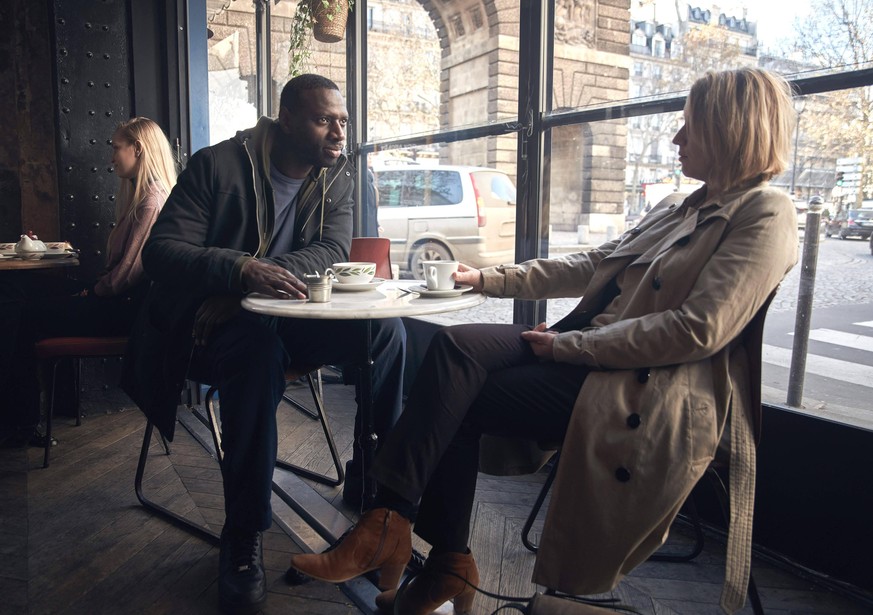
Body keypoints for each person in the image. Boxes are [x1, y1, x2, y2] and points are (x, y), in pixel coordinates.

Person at [288, 67, 799, 615]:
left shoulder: (767, 214)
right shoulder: (679, 205)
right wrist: (485, 278)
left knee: (455, 401)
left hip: (644, 384)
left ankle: (433, 555)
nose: (676, 139)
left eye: (689, 128)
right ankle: (397, 529)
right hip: (588, 348)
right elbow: (593, 265)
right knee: (453, 348)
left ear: (728, 131)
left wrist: (569, 348)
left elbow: (697, 330)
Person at [121, 74, 406, 615]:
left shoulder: (338, 175)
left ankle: (379, 495)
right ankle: (244, 533)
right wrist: (239, 273)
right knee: (255, 350)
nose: (338, 133)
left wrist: (256, 282)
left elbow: (332, 247)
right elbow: (161, 251)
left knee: (384, 331)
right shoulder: (216, 165)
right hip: (206, 328)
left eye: (342, 121)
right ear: (286, 119)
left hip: (281, 312)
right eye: (325, 120)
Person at [0, 117, 175, 447]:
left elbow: (124, 277)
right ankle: (18, 419)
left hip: (122, 311)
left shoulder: (152, 201)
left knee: (22, 315)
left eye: (116, 148)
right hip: (114, 301)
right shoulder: (145, 196)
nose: (111, 157)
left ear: (137, 149)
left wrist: (91, 292)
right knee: (18, 293)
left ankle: (19, 423)